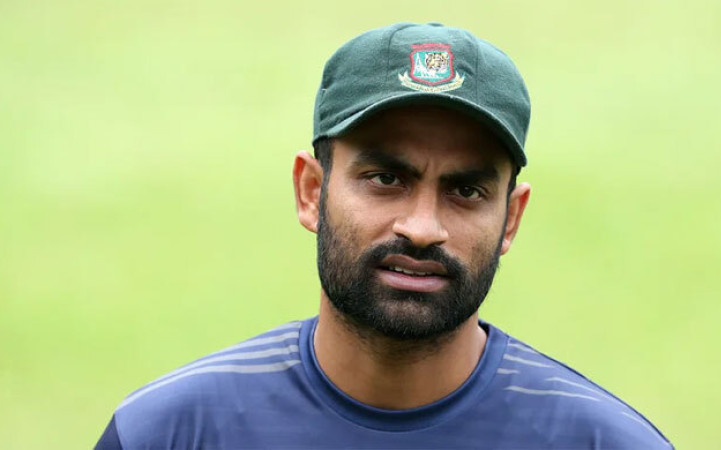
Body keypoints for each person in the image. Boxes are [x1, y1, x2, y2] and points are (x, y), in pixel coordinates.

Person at [96, 22, 673, 449]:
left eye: (466, 190)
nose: (421, 228)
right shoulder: (165, 434)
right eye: (385, 179)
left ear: (511, 219)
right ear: (311, 191)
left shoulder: (605, 443)